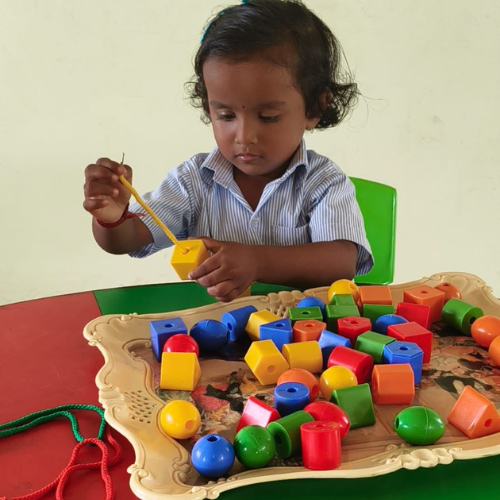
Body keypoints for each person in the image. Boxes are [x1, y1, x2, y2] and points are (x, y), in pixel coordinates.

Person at [83, 0, 373, 302]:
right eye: (226, 115)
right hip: (213, 327)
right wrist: (112, 218)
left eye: (267, 117)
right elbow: (127, 240)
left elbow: (342, 261)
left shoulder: (322, 181)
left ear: (314, 108)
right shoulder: (193, 181)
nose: (244, 137)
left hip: (303, 328)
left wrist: (257, 262)